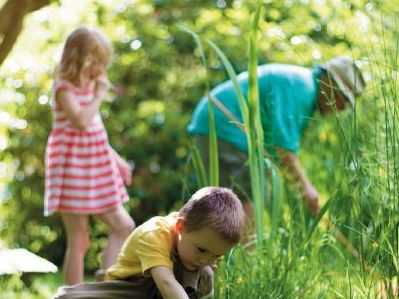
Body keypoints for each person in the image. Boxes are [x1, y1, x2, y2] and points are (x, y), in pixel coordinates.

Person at [187, 56, 366, 216]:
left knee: (222, 203)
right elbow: (283, 148)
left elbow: (275, 146)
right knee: (252, 196)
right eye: (342, 97)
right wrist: (307, 188)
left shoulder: (301, 82)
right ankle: (247, 252)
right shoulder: (302, 89)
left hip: (215, 121)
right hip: (225, 123)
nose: (342, 108)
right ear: (328, 82)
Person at [44, 27, 135, 285]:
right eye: (95, 61)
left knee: (123, 225)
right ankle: (73, 294)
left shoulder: (92, 85)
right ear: (78, 58)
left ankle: (103, 282)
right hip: (73, 169)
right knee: (79, 239)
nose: (100, 68)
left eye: (102, 62)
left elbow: (96, 130)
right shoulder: (64, 88)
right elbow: (82, 122)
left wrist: (115, 159)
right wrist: (98, 95)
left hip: (96, 166)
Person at [52, 186, 245, 299]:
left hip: (159, 293)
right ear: (180, 226)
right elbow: (166, 283)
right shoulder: (154, 234)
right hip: (127, 289)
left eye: (216, 255)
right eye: (202, 250)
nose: (206, 259)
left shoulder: (197, 254)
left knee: (206, 274)